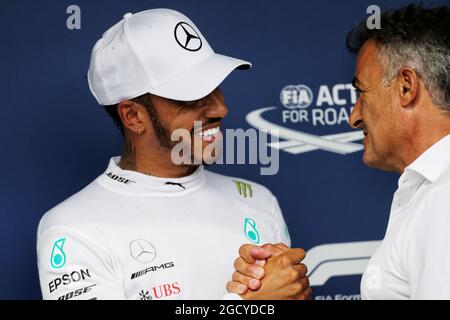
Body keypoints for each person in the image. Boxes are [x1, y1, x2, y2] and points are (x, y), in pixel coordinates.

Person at [36, 8, 310, 300]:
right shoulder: (74, 228)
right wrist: (252, 302)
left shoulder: (258, 200)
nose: (220, 109)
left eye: (215, 85)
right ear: (133, 116)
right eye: (191, 96)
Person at [226, 4, 450, 300]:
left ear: (406, 88)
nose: (353, 117)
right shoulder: (429, 192)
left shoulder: (442, 199)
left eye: (361, 93)